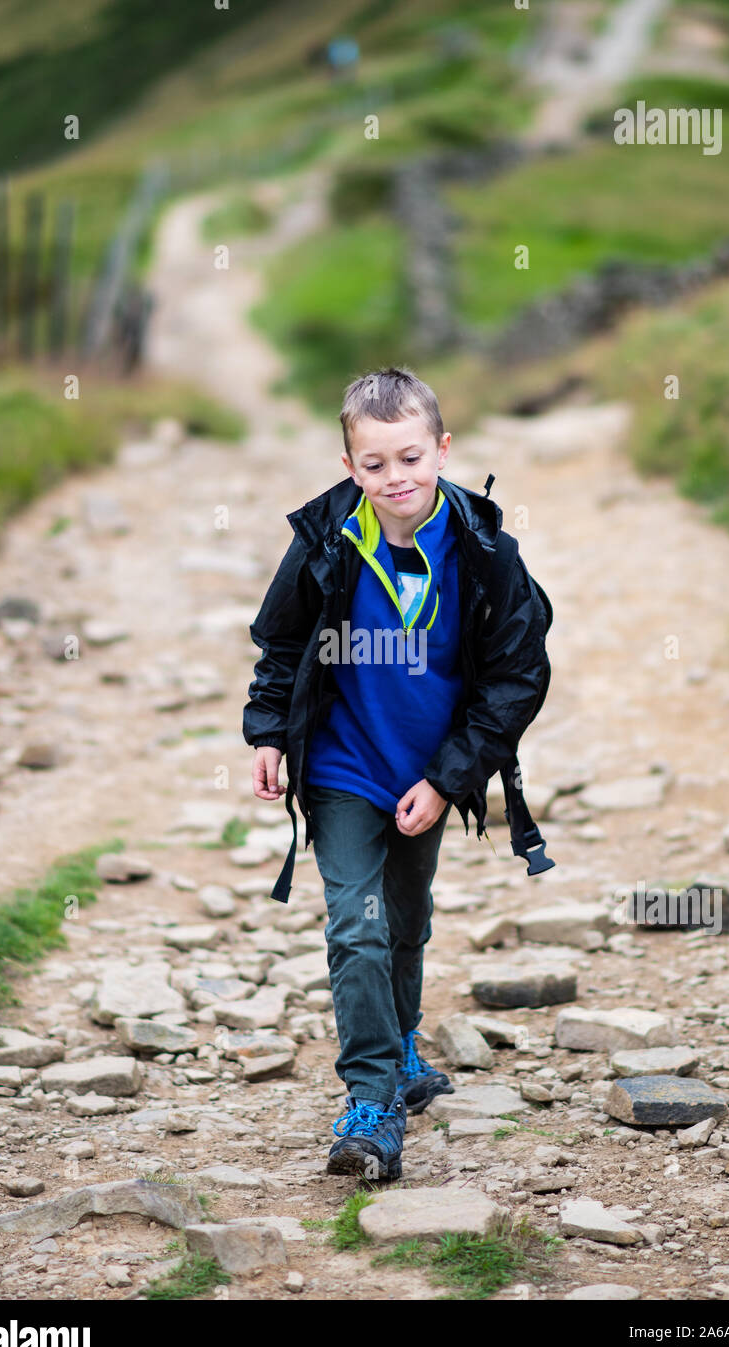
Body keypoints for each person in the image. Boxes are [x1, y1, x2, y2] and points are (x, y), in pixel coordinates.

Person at [242, 366, 551, 1179]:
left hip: (428, 770)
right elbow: (279, 643)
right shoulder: (326, 542)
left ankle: (403, 1046)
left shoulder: (484, 554)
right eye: (373, 465)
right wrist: (268, 733)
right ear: (350, 466)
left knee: (406, 922)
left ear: (442, 450)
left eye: (409, 458)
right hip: (342, 767)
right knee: (357, 926)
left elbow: (516, 676)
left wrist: (450, 779)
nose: (394, 479)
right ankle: (371, 1100)